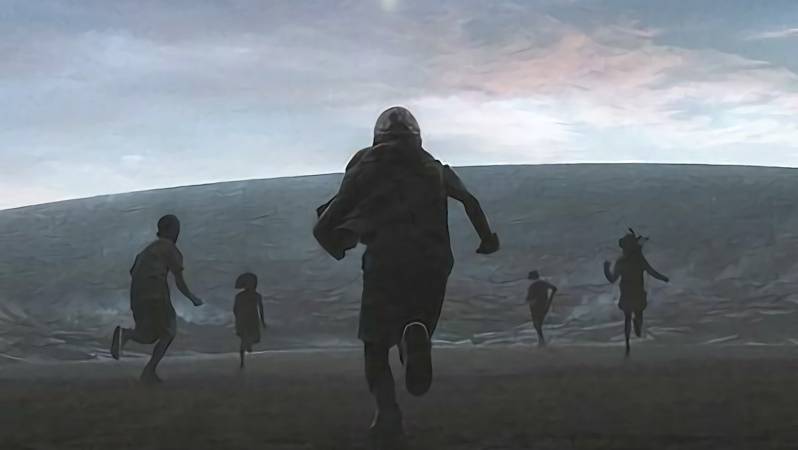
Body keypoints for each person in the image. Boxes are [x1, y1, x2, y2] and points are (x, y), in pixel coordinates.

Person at [313, 106, 500, 449]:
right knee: (417, 319)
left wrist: (337, 244)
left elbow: (326, 224)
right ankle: (412, 334)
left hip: (385, 261)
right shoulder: (434, 167)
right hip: (434, 262)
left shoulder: (366, 167)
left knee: (374, 345)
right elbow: (470, 202)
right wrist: (488, 239)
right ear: (417, 137)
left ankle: (388, 413)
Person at [110, 214, 203, 383]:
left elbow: (133, 271)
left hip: (137, 294)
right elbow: (179, 280)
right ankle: (149, 371)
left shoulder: (146, 250)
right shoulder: (169, 248)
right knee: (168, 332)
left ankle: (126, 334)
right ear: (172, 230)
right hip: (156, 293)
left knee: (148, 335)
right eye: (177, 229)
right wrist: (192, 298)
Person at [604, 228, 669, 357]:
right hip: (637, 291)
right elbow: (651, 271)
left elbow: (612, 279)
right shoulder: (639, 260)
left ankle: (628, 342)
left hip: (627, 291)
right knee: (637, 314)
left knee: (628, 318)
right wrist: (663, 278)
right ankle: (635, 331)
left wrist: (606, 269)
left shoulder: (622, 262)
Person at [234, 272, 266, 369]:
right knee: (254, 338)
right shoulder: (257, 296)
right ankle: (249, 344)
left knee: (243, 340)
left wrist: (237, 319)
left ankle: (242, 361)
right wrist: (262, 321)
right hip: (252, 319)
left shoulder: (239, 296)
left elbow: (235, 309)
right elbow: (261, 309)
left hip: (242, 319)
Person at [526, 271, 557, 346]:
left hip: (535, 307)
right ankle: (542, 341)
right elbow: (554, 289)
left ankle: (541, 341)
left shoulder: (533, 286)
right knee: (539, 323)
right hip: (544, 305)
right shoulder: (544, 283)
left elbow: (529, 298)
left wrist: (530, 302)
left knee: (536, 324)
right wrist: (549, 301)